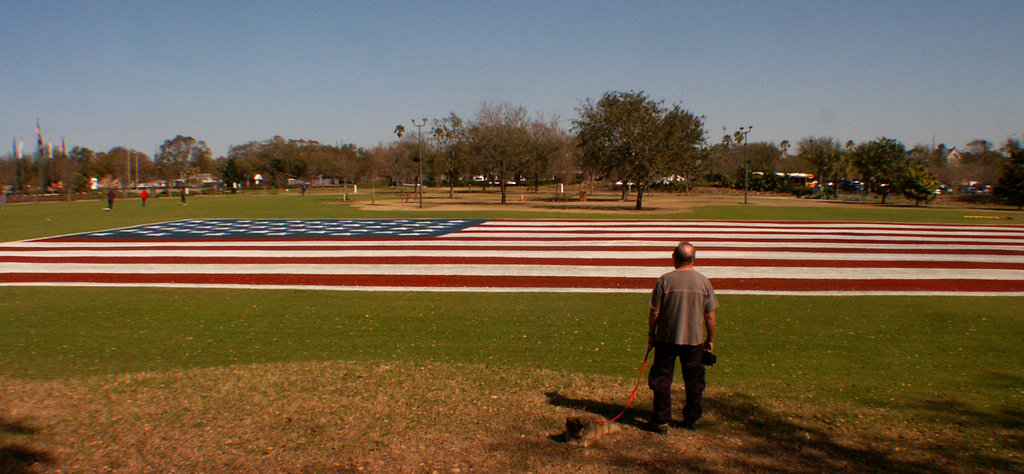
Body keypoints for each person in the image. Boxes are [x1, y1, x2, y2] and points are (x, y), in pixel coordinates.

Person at [646, 241, 718, 433]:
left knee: (662, 379)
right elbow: (710, 315)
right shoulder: (704, 282)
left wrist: (651, 334)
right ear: (693, 259)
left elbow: (655, 313)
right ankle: (691, 418)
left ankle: (661, 419)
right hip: (694, 339)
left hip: (667, 338)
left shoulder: (665, 280)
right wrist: (710, 340)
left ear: (674, 258)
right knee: (694, 380)